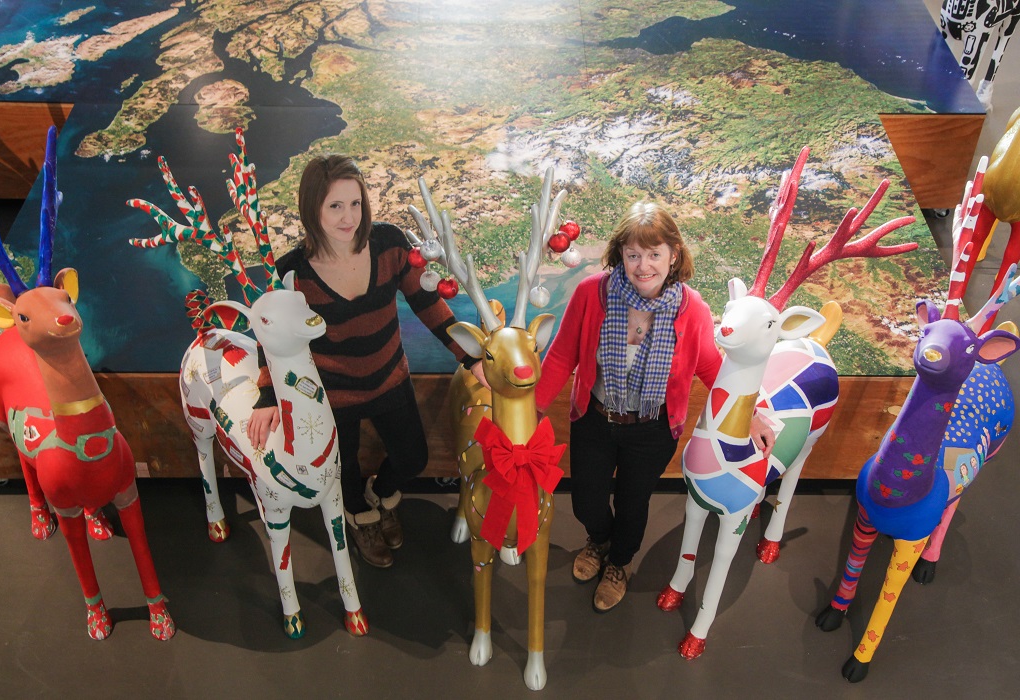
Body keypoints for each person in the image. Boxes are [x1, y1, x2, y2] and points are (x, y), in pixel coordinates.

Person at [247, 154, 485, 569]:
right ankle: (362, 518)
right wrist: (267, 395)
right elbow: (270, 339)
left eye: (355, 204)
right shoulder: (291, 274)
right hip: (332, 397)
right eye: (335, 206)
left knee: (412, 458)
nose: (348, 217)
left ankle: (383, 498)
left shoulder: (389, 244)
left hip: (390, 380)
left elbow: (428, 304)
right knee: (344, 472)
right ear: (311, 209)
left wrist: (471, 358)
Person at [534, 201, 773, 613]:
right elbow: (560, 356)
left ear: (674, 255)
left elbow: (711, 366)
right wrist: (530, 409)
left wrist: (751, 410)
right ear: (620, 255)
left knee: (633, 503)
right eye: (633, 254)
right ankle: (599, 541)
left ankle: (619, 564)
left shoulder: (690, 307)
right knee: (586, 500)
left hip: (651, 428)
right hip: (595, 417)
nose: (643, 266)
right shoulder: (593, 294)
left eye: (655, 254)